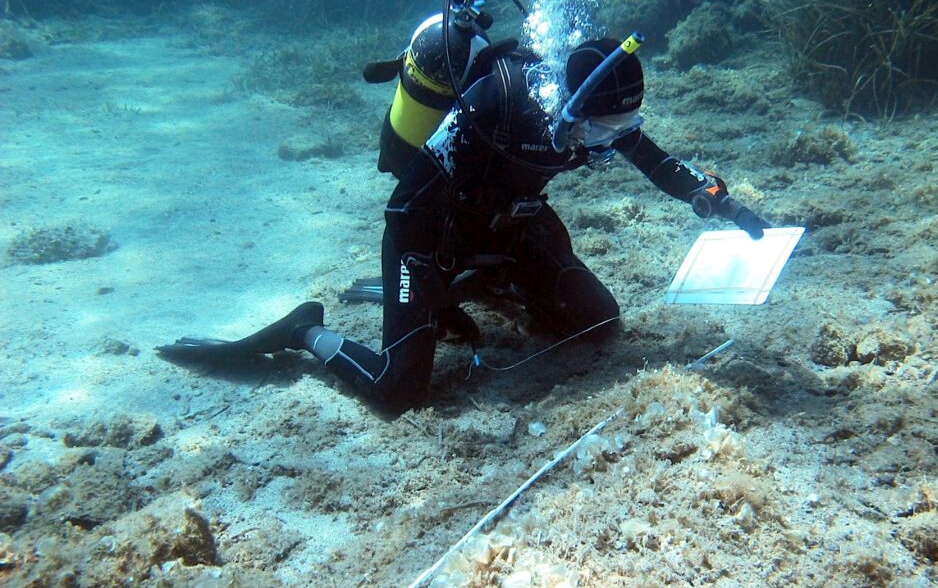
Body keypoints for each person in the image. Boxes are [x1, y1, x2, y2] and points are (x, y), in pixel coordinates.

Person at [158, 36, 767, 415]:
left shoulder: (601, 119)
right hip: (428, 236)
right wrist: (425, 283)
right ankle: (305, 330)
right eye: (607, 129)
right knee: (399, 393)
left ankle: (480, 285)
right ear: (573, 105)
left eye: (625, 127)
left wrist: (717, 200)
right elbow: (404, 208)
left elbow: (655, 160)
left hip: (511, 226)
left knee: (598, 322)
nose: (614, 142)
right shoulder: (495, 104)